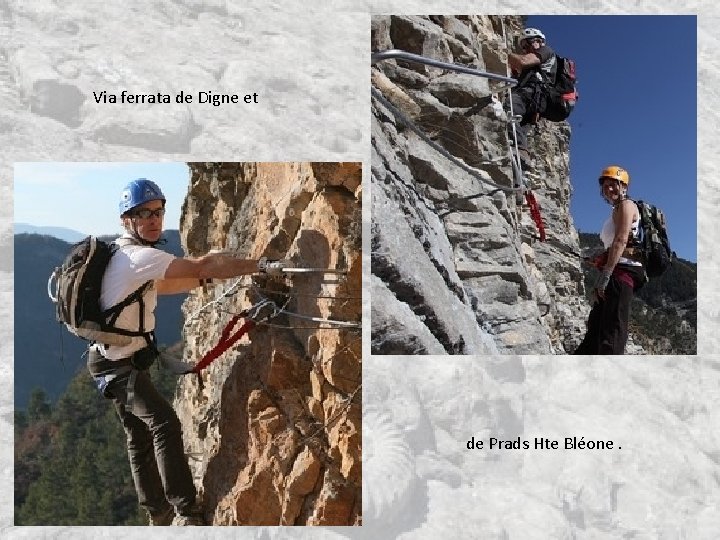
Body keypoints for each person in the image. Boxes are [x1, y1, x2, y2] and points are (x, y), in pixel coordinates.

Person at [86, 178, 284, 525]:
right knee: (163, 423)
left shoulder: (122, 254)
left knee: (138, 437)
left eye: (159, 212)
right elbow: (200, 266)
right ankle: (185, 509)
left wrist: (206, 275)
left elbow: (165, 285)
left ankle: (158, 513)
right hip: (119, 365)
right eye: (143, 213)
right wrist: (259, 265)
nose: (154, 219)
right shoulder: (138, 257)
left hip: (110, 359)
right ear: (126, 218)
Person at [574, 166, 647, 355]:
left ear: (624, 186)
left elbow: (621, 240)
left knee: (612, 333)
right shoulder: (616, 210)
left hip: (622, 274)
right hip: (616, 271)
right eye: (605, 186)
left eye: (613, 185)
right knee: (597, 328)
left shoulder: (626, 206)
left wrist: (605, 275)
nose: (609, 189)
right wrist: (602, 259)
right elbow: (617, 244)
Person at [506, 27, 557, 170]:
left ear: (538, 41)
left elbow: (522, 61)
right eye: (523, 46)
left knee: (509, 109)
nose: (525, 49)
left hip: (531, 94)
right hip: (534, 101)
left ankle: (521, 153)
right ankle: (518, 168)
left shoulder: (545, 51)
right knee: (518, 128)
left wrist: (506, 55)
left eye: (527, 44)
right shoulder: (536, 64)